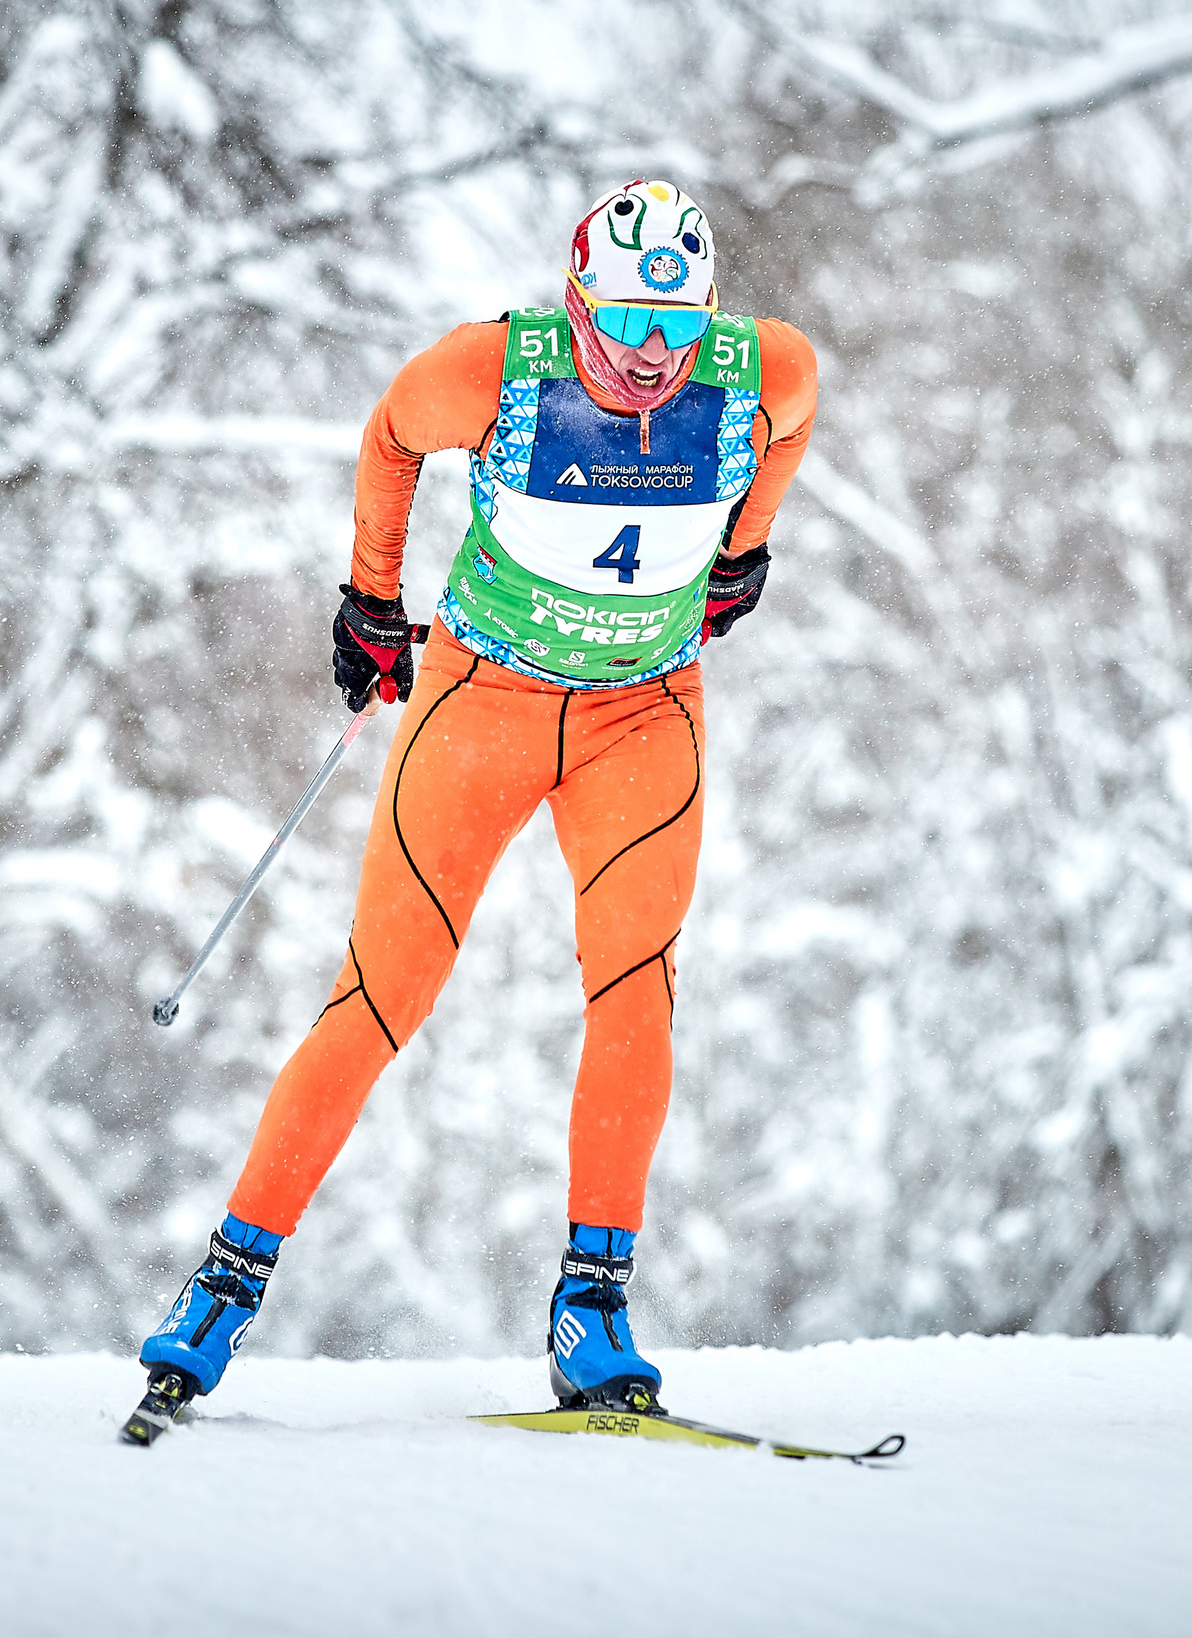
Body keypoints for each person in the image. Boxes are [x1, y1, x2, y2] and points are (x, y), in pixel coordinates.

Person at [125, 179, 818, 1439]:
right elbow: (392, 438)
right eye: (622, 330)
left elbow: (797, 410)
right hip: (481, 702)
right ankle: (220, 1293)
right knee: (380, 999)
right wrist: (369, 602)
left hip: (643, 715)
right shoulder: (490, 369)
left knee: (635, 985)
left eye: (675, 331)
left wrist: (746, 546)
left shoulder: (757, 370)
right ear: (575, 302)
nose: (650, 362)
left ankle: (591, 1311)